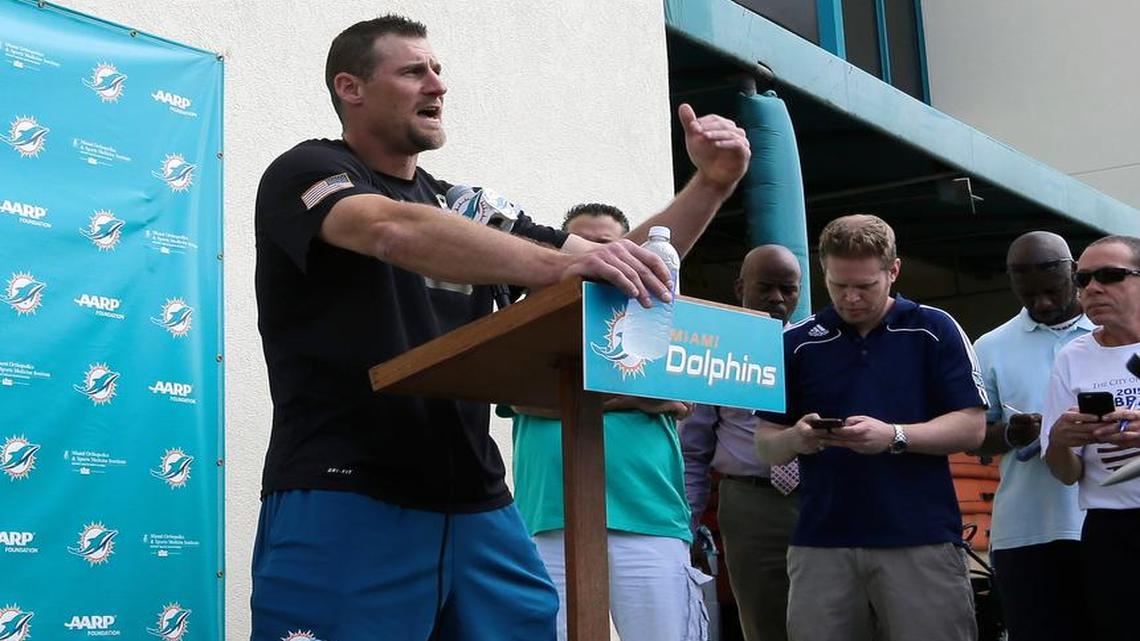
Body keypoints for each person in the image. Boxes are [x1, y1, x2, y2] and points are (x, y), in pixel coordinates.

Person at [250, 14, 751, 641]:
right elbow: (389, 228)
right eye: (413, 71)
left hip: (477, 501)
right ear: (350, 87)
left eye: (438, 70)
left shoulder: (467, 205)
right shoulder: (307, 169)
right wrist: (559, 266)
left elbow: (620, 263)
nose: (438, 85)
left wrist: (711, 184)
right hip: (347, 487)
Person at [754, 214, 986, 641]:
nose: (851, 297)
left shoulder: (933, 329)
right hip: (821, 541)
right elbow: (765, 445)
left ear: (893, 271)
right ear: (822, 271)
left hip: (920, 537)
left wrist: (894, 436)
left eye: (865, 286)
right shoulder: (796, 342)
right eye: (838, 284)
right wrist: (796, 438)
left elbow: (972, 428)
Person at [508, 203, 707, 641]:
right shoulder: (531, 314)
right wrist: (640, 397)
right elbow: (523, 397)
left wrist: (576, 394)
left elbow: (682, 396)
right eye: (582, 244)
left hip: (649, 516)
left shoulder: (660, 316)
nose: (598, 255)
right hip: (551, 519)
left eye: (608, 244)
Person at [970, 231, 1091, 641]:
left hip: (1104, 524)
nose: (1042, 304)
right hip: (1025, 530)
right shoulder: (990, 346)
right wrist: (1010, 433)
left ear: (1074, 272)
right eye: (1028, 296)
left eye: (1052, 291)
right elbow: (973, 435)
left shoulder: (1113, 335)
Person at [681, 244, 802, 641]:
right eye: (765, 287)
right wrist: (688, 523)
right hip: (750, 506)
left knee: (829, 617)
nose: (777, 298)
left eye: (788, 289)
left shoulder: (814, 348)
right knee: (762, 620)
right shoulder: (717, 351)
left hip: (817, 497)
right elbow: (694, 450)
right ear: (740, 288)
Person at [1041, 234, 1140, 641]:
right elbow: (1066, 473)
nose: (1093, 288)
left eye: (1110, 275)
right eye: (1083, 279)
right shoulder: (1073, 356)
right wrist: (1060, 440)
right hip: (1111, 529)